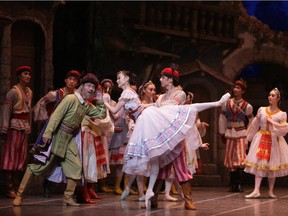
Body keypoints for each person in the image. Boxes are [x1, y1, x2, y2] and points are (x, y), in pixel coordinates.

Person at [102, 69, 230, 210]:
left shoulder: (180, 93)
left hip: (174, 136)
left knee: (181, 167)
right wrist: (142, 106)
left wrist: (148, 106)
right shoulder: (162, 96)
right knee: (160, 168)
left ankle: (188, 199)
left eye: (163, 77)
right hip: (161, 135)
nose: (161, 79)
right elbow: (155, 106)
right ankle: (153, 199)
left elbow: (171, 106)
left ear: (170, 79)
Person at [12, 73, 107, 206]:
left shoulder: (86, 105)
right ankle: (20, 195)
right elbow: (55, 116)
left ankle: (67, 197)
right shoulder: (70, 98)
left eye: (93, 87)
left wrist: (99, 99)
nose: (91, 89)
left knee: (76, 168)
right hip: (57, 136)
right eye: (89, 86)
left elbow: (101, 114)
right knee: (38, 166)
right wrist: (47, 134)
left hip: (69, 139)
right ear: (82, 86)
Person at [32, 69, 81, 198]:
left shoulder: (77, 95)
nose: (72, 81)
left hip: (70, 131)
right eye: (70, 79)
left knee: (70, 158)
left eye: (75, 80)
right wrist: (45, 120)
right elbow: (41, 103)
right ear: (65, 80)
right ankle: (47, 185)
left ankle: (71, 189)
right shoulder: (56, 94)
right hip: (55, 130)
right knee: (51, 157)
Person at [244, 88, 288, 199]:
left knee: (272, 164)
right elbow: (255, 124)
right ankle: (256, 190)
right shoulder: (262, 110)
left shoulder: (282, 114)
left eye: (273, 95)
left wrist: (273, 125)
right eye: (269, 95)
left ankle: (270, 191)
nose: (270, 97)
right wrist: (248, 139)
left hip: (273, 139)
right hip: (261, 138)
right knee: (259, 163)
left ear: (278, 98)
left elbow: (284, 129)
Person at [0, 66, 32, 198]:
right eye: (25, 74)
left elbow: (29, 110)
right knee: (11, 155)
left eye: (29, 74)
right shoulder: (13, 92)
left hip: (24, 126)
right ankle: (8, 187)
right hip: (14, 126)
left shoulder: (29, 91)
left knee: (21, 156)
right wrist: (4, 127)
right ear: (19, 76)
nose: (28, 76)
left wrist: (29, 124)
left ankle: (17, 185)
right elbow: (6, 110)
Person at [218, 79, 253, 192]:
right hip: (229, 132)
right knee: (230, 157)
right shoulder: (227, 103)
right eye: (235, 87)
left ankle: (239, 183)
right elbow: (222, 117)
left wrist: (249, 135)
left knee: (240, 157)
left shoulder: (247, 106)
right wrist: (222, 132)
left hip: (241, 132)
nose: (235, 90)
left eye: (238, 88)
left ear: (243, 91)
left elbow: (252, 121)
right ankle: (232, 183)